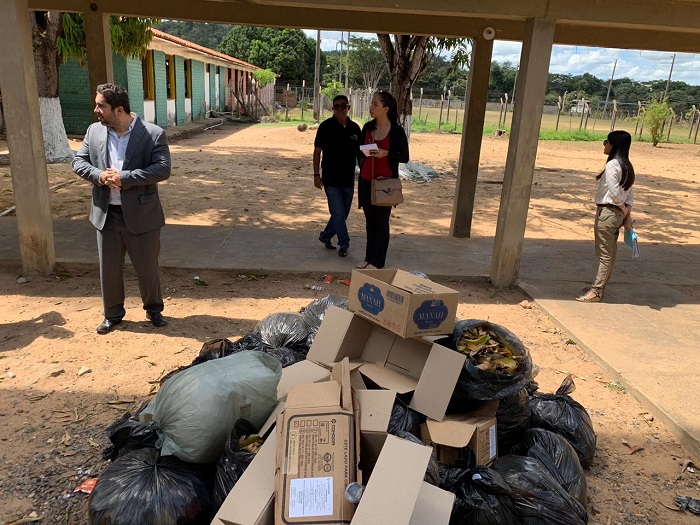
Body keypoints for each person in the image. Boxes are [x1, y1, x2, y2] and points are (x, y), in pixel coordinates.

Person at [72, 83, 171, 333]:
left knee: (147, 268)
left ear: (118, 110)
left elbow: (162, 169)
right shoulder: (94, 131)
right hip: (106, 214)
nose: (96, 110)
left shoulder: (153, 134)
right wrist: (99, 175)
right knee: (109, 270)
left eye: (100, 105)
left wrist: (124, 178)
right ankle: (113, 315)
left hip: (142, 215)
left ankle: (154, 310)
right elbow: (78, 161)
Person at [577, 130, 635, 303]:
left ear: (613, 145)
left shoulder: (612, 165)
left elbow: (615, 193)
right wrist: (626, 212)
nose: (604, 144)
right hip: (615, 213)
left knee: (605, 254)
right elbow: (630, 194)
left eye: (606, 142)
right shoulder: (627, 165)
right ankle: (599, 286)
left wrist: (624, 210)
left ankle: (597, 290)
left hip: (609, 212)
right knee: (609, 252)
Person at [355, 91, 409, 269]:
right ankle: (368, 258)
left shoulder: (397, 131)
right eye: (372, 103)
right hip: (366, 181)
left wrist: (386, 154)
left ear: (385, 108)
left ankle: (377, 262)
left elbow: (404, 157)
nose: (371, 107)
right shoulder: (368, 127)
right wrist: (365, 152)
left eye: (375, 104)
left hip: (386, 184)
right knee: (370, 221)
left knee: (382, 222)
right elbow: (359, 151)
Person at [313, 95, 361, 257]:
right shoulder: (325, 127)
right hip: (331, 178)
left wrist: (365, 174)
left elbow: (360, 154)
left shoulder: (355, 129)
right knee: (338, 212)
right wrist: (316, 175)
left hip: (348, 179)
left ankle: (325, 235)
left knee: (342, 213)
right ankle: (344, 243)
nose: (339, 108)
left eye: (342, 105)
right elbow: (317, 152)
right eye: (336, 106)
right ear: (332, 108)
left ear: (348, 107)